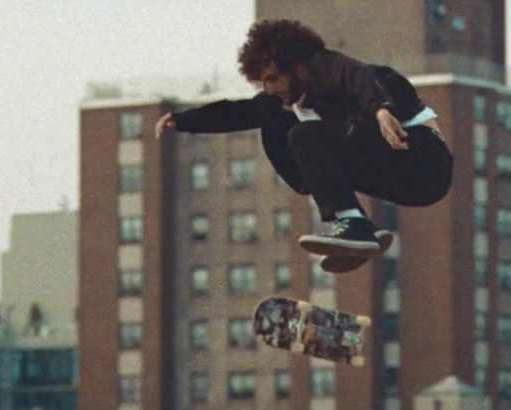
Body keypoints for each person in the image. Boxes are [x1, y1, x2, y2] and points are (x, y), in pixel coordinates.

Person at [155, 18, 453, 271]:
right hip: (403, 182)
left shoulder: (325, 68)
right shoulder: (283, 102)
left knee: (304, 135)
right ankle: (361, 234)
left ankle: (354, 223)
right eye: (264, 82)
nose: (271, 89)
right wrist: (182, 120)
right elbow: (238, 112)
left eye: (274, 78)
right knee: (282, 125)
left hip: (423, 159)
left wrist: (381, 109)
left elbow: (359, 76)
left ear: (297, 67)